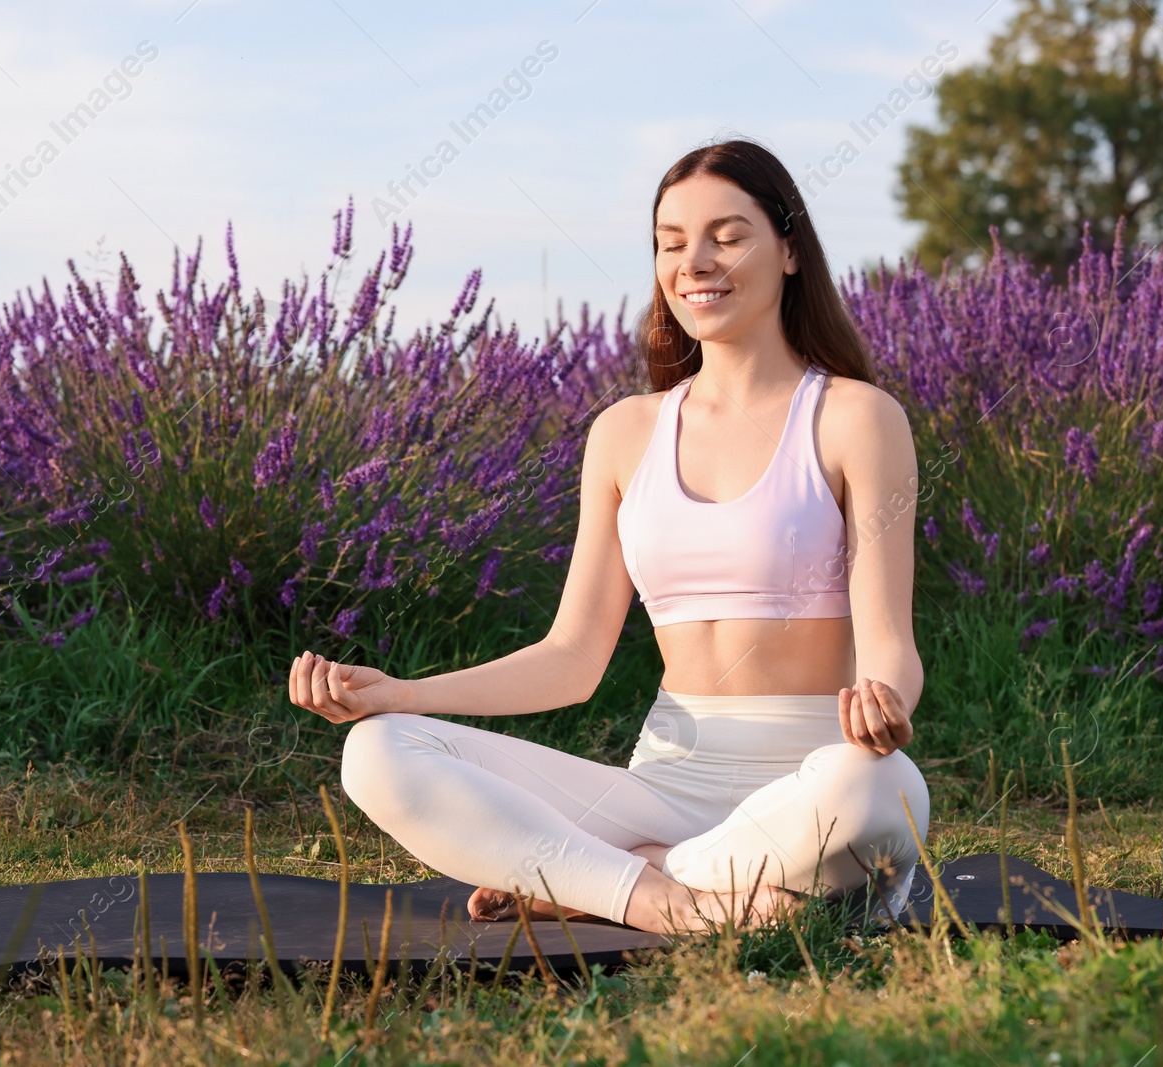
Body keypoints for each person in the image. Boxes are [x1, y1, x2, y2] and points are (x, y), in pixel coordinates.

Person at [287, 137, 930, 935]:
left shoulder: (857, 418)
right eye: (671, 243)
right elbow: (571, 658)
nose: (695, 261)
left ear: (790, 250)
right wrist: (400, 694)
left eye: (727, 236)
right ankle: (675, 903)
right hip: (659, 790)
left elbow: (889, 642)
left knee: (878, 789)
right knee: (378, 754)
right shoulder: (626, 432)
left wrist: (887, 703)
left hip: (808, 779)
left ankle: (609, 877)